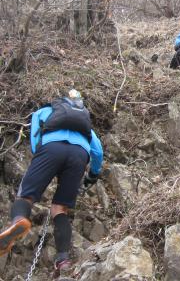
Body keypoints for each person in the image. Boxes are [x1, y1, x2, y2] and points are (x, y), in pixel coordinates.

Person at [0, 89, 103, 276]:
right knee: (59, 209)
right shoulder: (84, 122)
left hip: (50, 149)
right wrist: (93, 175)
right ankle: (63, 260)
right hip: (79, 155)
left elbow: (35, 137)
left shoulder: (47, 110)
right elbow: (98, 151)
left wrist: (41, 158)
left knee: (26, 196)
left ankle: (20, 221)